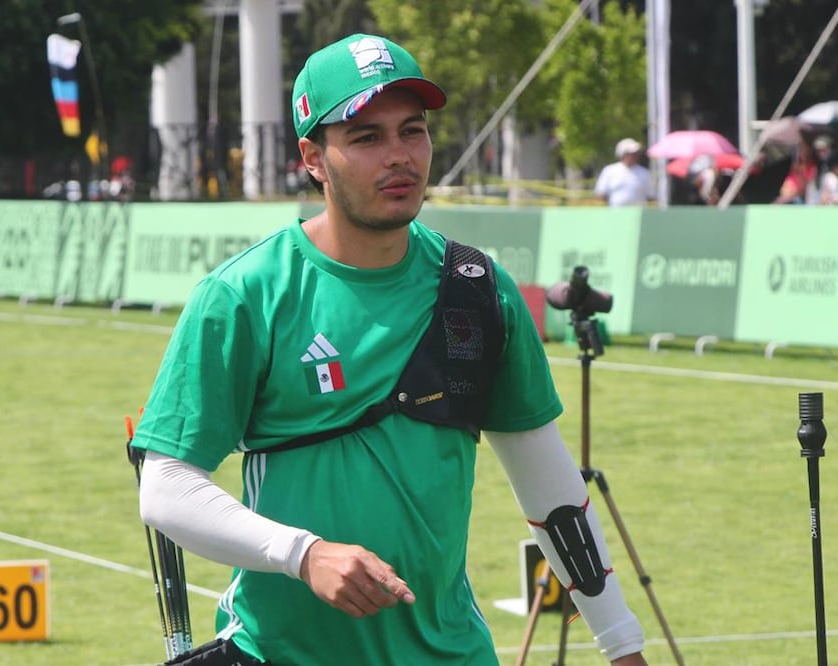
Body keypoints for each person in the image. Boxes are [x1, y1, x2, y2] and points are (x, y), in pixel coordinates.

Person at [131, 33, 648, 666]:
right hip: (282, 653)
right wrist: (304, 554)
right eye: (366, 138)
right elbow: (165, 486)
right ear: (313, 157)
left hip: (452, 653)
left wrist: (622, 644)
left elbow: (552, 493)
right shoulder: (243, 295)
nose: (399, 157)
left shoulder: (479, 291)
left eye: (413, 131)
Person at [594, 137, 654, 206]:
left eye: (635, 153)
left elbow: (650, 196)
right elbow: (601, 194)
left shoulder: (644, 173)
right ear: (622, 154)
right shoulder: (610, 171)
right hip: (616, 214)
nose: (634, 156)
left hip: (638, 214)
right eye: (630, 153)